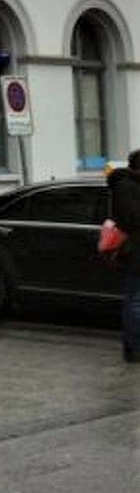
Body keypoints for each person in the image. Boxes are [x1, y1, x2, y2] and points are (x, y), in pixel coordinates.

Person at [107, 150, 140, 362]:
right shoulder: (126, 187)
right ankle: (134, 348)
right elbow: (131, 218)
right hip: (135, 253)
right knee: (135, 301)